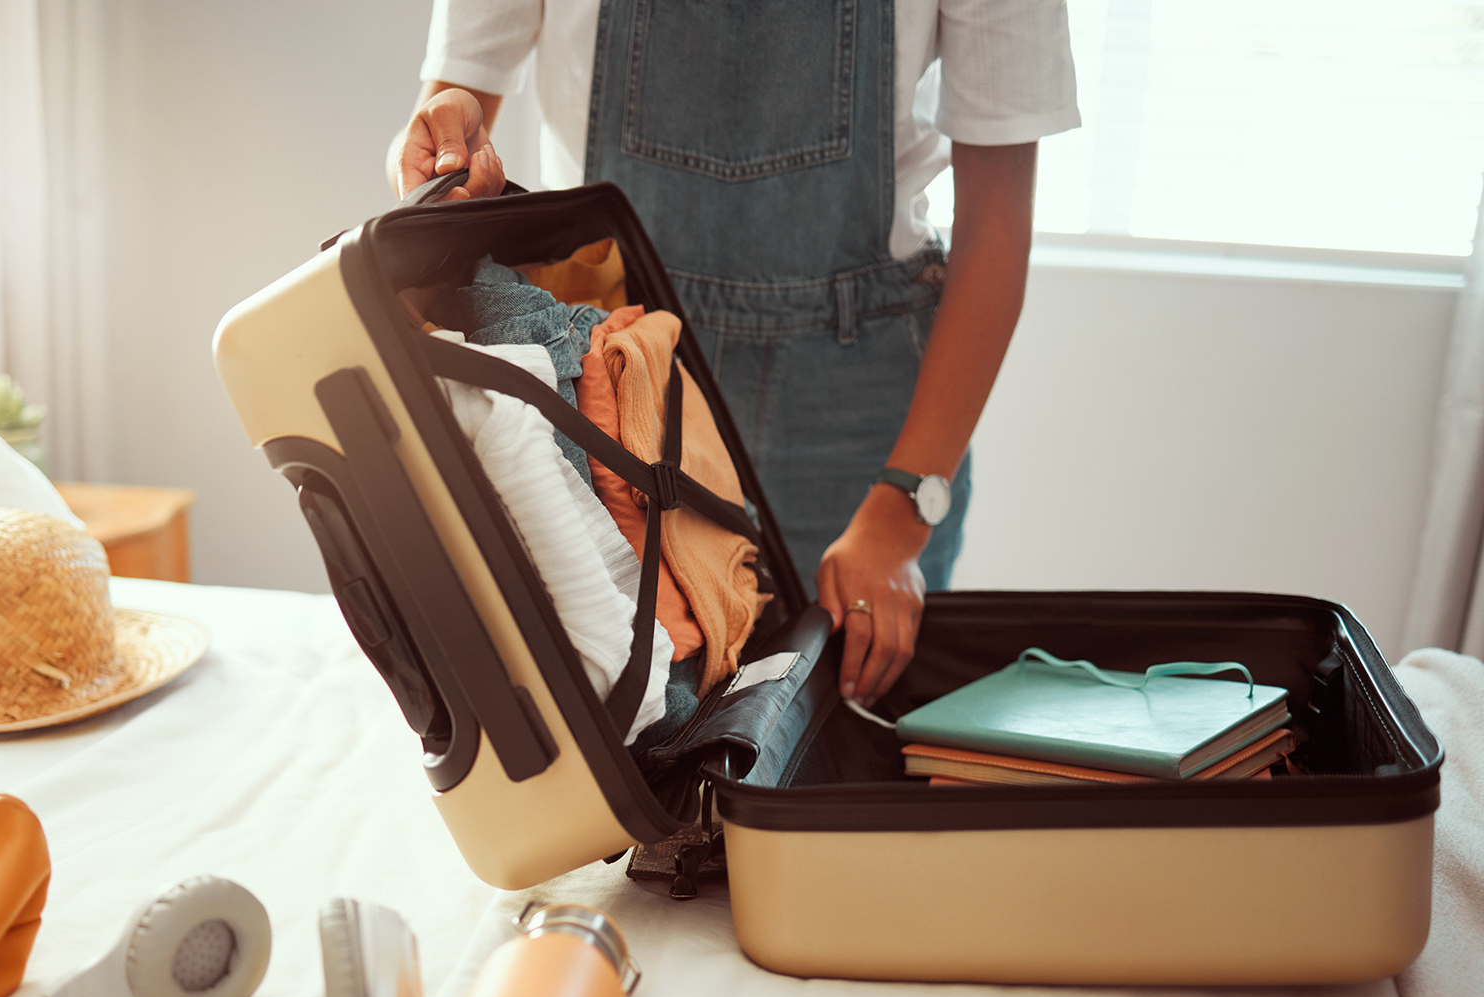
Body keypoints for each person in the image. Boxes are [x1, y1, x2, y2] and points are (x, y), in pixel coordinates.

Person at [391, 0, 1078, 707]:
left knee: (833, 752)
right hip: (616, 382)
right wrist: (436, 153)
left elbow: (997, 224)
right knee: (627, 739)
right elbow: (451, 108)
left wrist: (904, 508)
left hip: (860, 423)